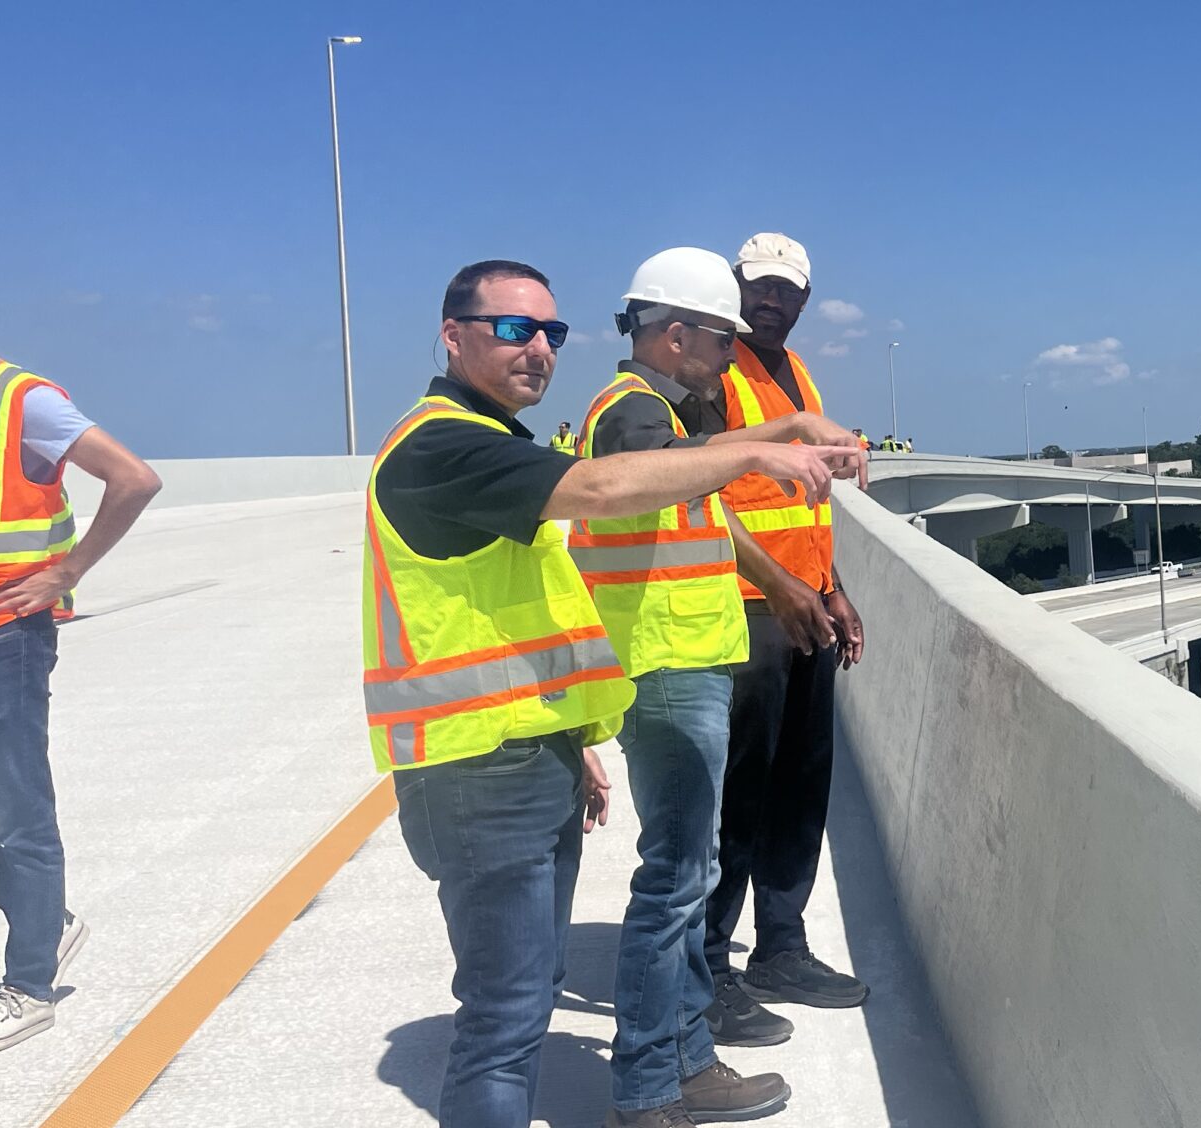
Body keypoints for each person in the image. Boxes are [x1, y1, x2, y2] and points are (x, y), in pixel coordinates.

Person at [364, 259, 856, 1128]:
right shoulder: (445, 443)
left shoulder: (509, 441)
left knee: (535, 990)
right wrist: (765, 449)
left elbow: (535, 597)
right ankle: (653, 1083)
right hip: (490, 761)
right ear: (453, 335)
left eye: (550, 332)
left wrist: (577, 739)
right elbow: (610, 483)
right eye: (515, 329)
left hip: (535, 745)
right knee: (512, 1014)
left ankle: (672, 1068)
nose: (540, 349)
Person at [579, 248, 865, 1126]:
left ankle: (689, 1057)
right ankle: (648, 1082)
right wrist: (772, 448)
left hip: (690, 657)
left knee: (690, 864)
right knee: (676, 879)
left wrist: (783, 443)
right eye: (719, 334)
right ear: (676, 335)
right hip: (667, 670)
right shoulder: (631, 414)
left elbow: (693, 487)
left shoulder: (665, 410)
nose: (729, 351)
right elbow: (640, 482)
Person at [0, 258, 162, 1056]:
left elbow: (133, 478)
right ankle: (43, 911)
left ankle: (29, 984)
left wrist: (69, 570)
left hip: (5, 638)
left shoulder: (25, 400)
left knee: (20, 814)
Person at [700, 233, 873, 1040]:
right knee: (741, 790)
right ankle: (708, 962)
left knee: (803, 782)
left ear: (804, 300)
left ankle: (781, 943)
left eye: (786, 291)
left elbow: (805, 501)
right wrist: (781, 585)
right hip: (746, 605)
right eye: (759, 287)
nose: (772, 301)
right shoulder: (714, 371)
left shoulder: (795, 372)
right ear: (735, 285)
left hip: (802, 606)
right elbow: (702, 488)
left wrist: (832, 588)